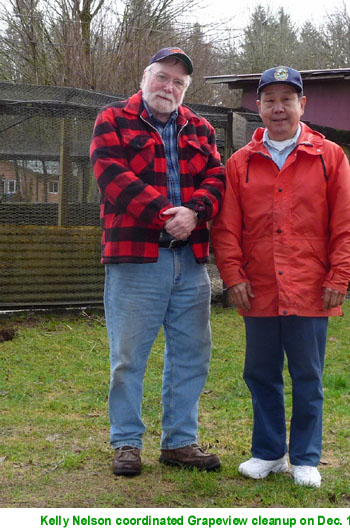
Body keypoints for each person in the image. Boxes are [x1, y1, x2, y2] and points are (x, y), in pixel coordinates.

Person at [211, 66, 350, 488]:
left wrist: (339, 276)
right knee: (260, 374)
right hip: (256, 289)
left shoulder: (329, 156)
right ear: (257, 107)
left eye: (287, 99)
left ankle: (306, 457)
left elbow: (348, 225)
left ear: (302, 105)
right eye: (270, 100)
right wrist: (233, 276)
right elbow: (226, 229)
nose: (279, 108)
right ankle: (269, 452)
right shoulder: (239, 164)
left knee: (308, 375)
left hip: (312, 288)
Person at [90, 47, 225, 476]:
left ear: (185, 90)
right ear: (145, 77)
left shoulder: (201, 128)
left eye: (178, 83)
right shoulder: (112, 120)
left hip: (191, 261)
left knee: (192, 354)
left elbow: (217, 177)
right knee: (129, 356)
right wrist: (169, 215)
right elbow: (112, 177)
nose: (169, 87)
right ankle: (126, 442)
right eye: (163, 77)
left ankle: (179, 442)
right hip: (135, 260)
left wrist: (197, 211)